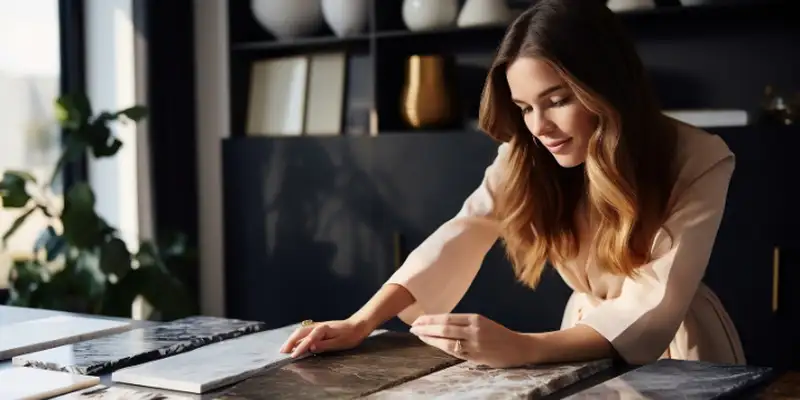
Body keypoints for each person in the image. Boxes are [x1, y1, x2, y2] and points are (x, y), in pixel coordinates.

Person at [280, 0, 745, 368]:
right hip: (574, 339)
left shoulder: (698, 159)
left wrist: (522, 347)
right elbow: (461, 233)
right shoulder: (529, 154)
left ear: (607, 86)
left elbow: (655, 304)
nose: (539, 126)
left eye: (557, 100)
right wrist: (361, 323)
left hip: (679, 349)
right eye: (524, 107)